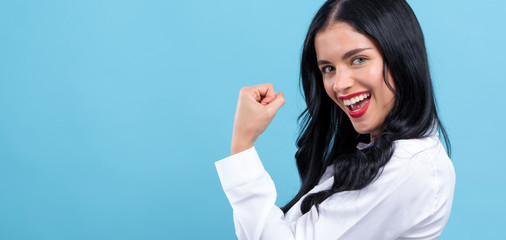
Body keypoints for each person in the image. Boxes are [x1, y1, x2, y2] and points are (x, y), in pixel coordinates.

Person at [215, 0, 456, 239]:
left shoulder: (410, 165)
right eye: (328, 68)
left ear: (401, 59)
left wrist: (242, 145)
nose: (339, 84)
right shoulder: (375, 154)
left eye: (358, 60)